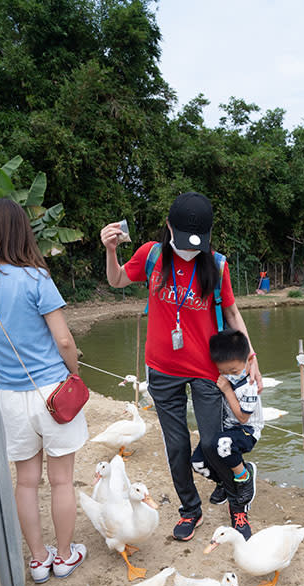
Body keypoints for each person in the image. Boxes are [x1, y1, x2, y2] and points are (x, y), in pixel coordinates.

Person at [100, 191, 262, 542]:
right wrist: (111, 251)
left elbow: (232, 313)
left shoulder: (216, 265)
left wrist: (251, 357)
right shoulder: (151, 255)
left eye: (196, 243)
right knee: (176, 447)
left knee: (213, 442)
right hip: (162, 369)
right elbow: (116, 281)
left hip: (207, 369)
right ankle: (190, 509)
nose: (190, 249)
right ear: (168, 227)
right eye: (183, 241)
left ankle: (238, 499)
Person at [0, 198, 88, 582]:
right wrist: (74, 373)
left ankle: (38, 561)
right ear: (22, 231)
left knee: (25, 480)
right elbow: (65, 341)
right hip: (53, 393)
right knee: (61, 480)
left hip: (9, 394)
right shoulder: (37, 278)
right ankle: (66, 555)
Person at [190, 329, 263, 528]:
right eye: (224, 372)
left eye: (234, 371)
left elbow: (242, 417)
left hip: (246, 430)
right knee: (197, 462)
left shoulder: (249, 385)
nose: (229, 376)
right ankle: (223, 481)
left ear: (248, 362)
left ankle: (244, 476)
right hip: (227, 430)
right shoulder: (225, 376)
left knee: (221, 444)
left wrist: (227, 389)